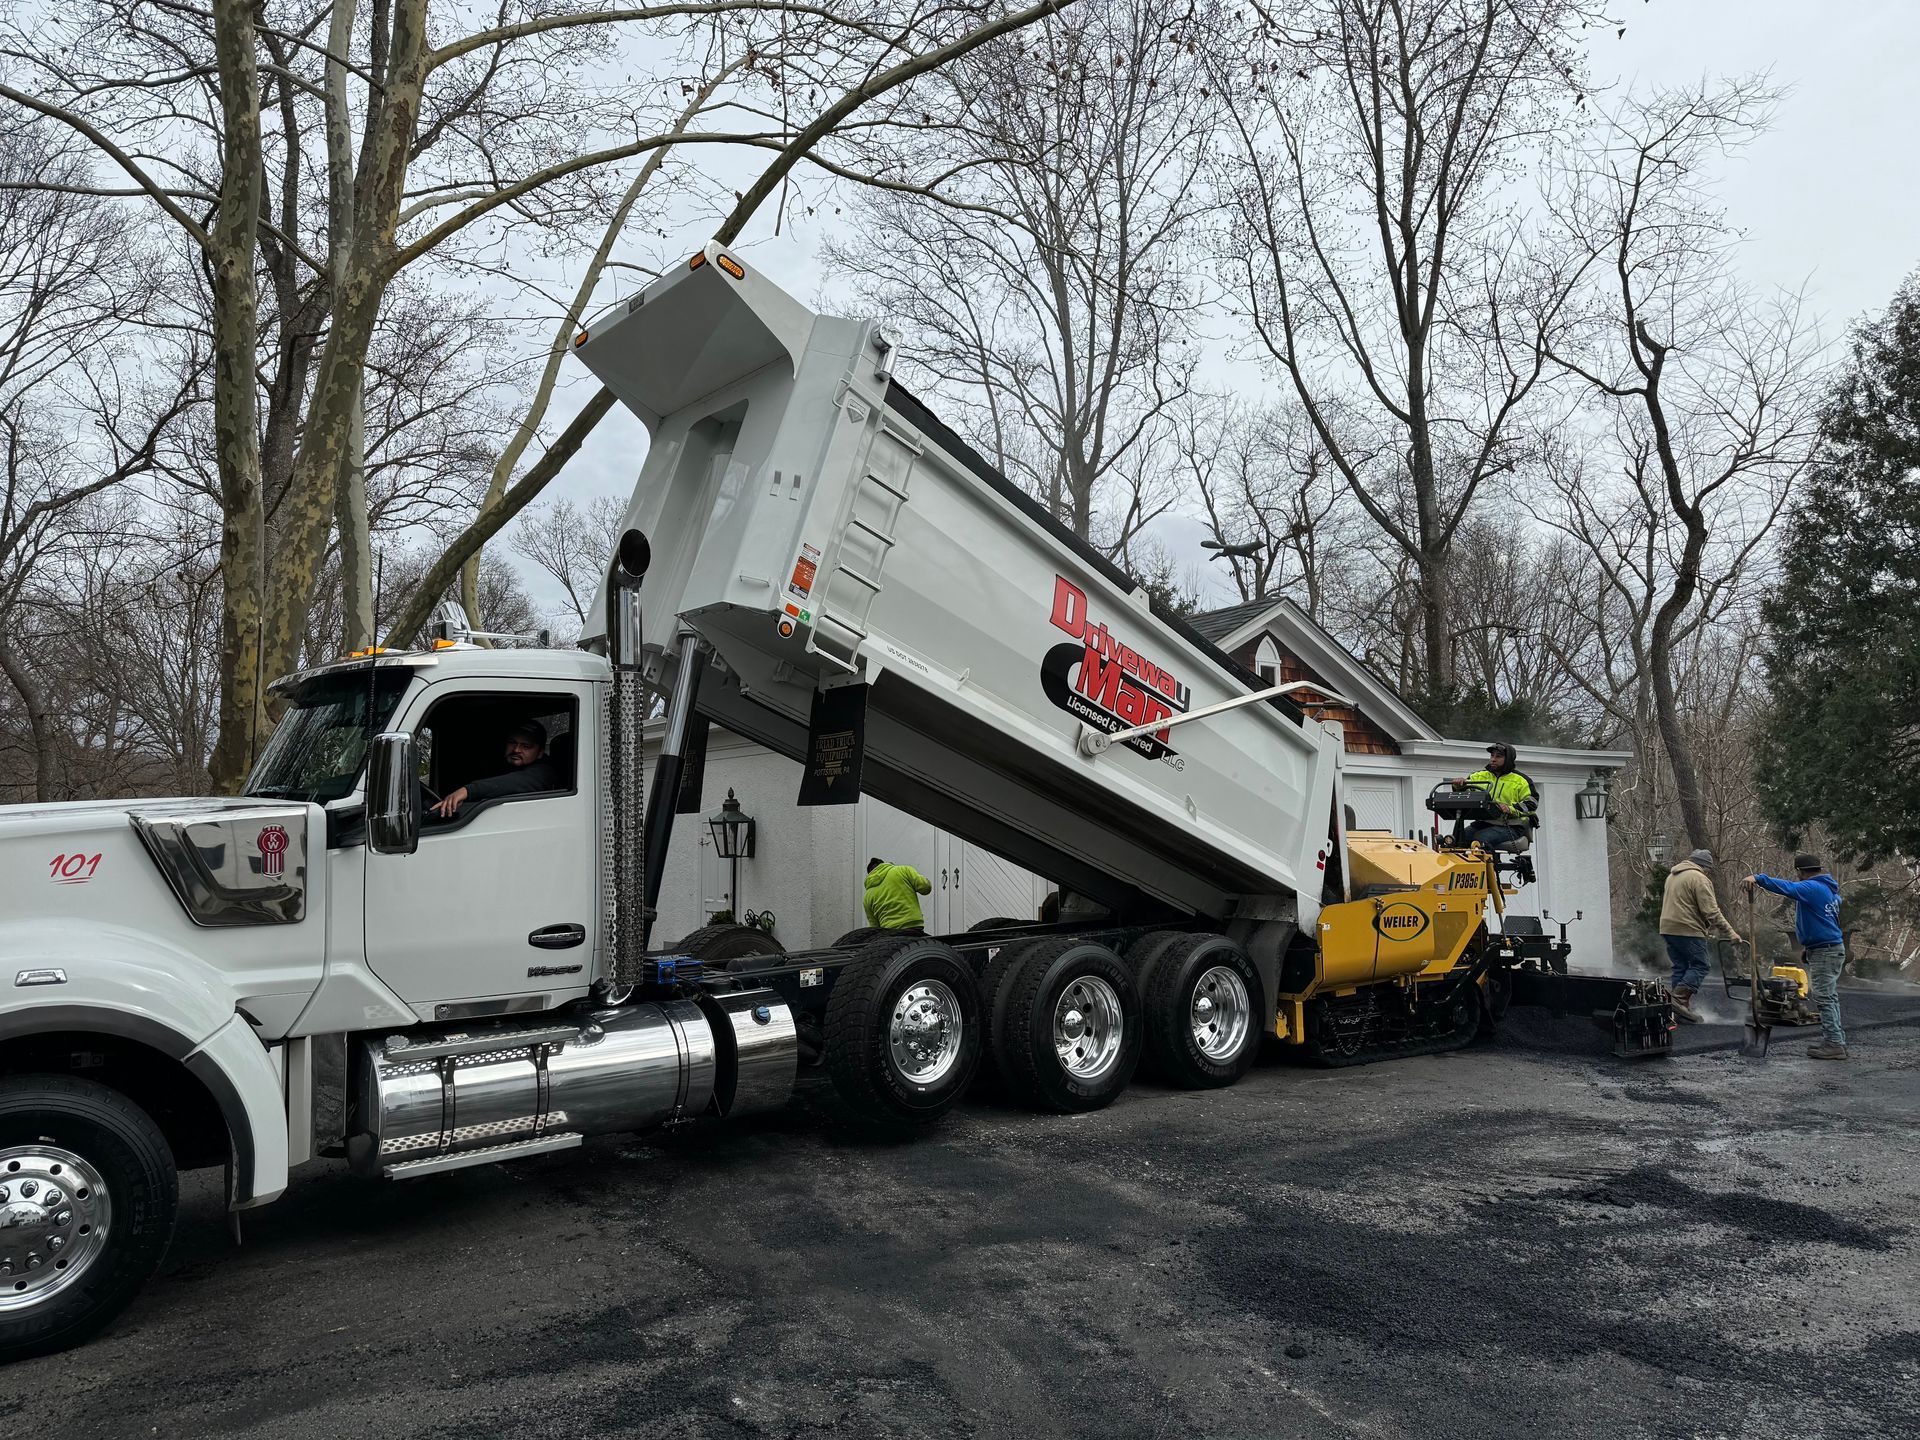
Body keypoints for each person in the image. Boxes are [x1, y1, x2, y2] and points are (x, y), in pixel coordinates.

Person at [1746, 855, 1847, 1059]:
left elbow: (1788, 888)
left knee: (1825, 997)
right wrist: (1809, 946)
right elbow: (1825, 920)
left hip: (1826, 949)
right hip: (1827, 947)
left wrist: (1759, 878)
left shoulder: (1812, 888)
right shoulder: (1827, 890)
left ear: (1800, 871)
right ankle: (1836, 1041)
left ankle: (1834, 1044)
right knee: (1830, 997)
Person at [1657, 849, 1742, 1024]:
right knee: (1701, 965)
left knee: (1680, 966)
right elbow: (1711, 911)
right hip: (1688, 928)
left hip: (1667, 927)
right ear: (1704, 867)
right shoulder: (1699, 878)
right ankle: (1678, 999)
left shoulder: (1672, 876)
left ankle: (1679, 1010)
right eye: (1708, 870)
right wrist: (1730, 932)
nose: (1708, 872)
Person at [430, 720, 562, 818]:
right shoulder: (499, 764)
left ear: (540, 752)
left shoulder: (544, 772)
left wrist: (466, 791)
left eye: (526, 746)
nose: (516, 749)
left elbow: (515, 782)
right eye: (512, 742)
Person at [1446, 742, 1534, 851]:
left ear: (1508, 759)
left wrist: (1510, 809)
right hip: (1483, 824)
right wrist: (1458, 786)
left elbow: (1532, 804)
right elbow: (1465, 796)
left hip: (1511, 826)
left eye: (1498, 756)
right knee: (1456, 839)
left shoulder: (1522, 781)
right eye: (1492, 756)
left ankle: (1489, 867)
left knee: (1480, 839)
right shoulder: (1478, 776)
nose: (1493, 759)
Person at [863, 856, 932, 933]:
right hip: (912, 927)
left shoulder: (867, 896)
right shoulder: (902, 870)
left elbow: (874, 927)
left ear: (870, 874)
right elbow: (925, 888)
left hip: (888, 933)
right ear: (884, 864)